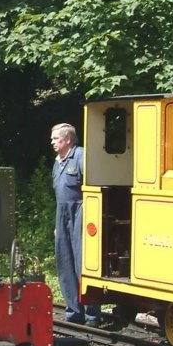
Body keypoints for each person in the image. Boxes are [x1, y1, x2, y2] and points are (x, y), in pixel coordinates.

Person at [51, 123, 100, 326]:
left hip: (80, 212)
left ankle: (92, 314)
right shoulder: (57, 162)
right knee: (64, 262)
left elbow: (93, 188)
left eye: (56, 138)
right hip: (62, 214)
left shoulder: (80, 156)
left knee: (82, 263)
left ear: (68, 139)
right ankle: (74, 311)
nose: (52, 142)